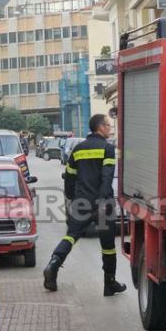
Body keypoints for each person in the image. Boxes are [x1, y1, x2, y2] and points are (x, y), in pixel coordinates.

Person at [43, 114, 127, 296]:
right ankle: (109, 284)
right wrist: (103, 201)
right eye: (107, 125)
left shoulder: (78, 149)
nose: (109, 128)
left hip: (82, 201)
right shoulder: (107, 148)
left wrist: (73, 198)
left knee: (71, 235)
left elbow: (70, 177)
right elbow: (106, 177)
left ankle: (53, 264)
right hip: (102, 204)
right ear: (100, 128)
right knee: (108, 245)